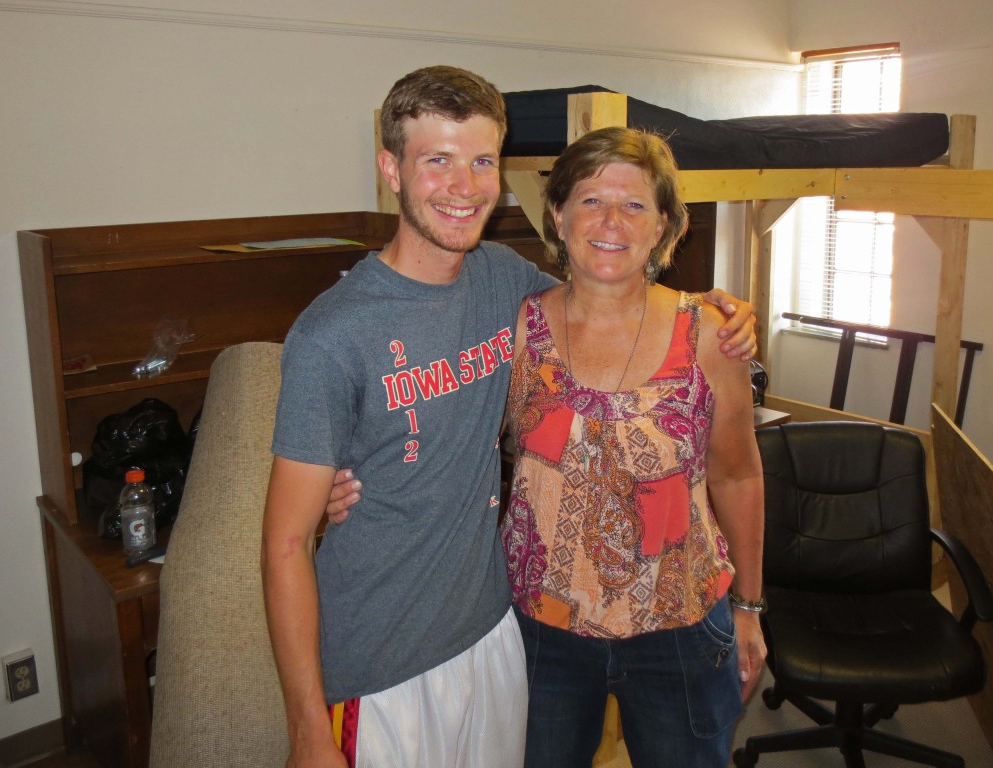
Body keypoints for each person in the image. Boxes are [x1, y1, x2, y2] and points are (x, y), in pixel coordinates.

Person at [264, 65, 757, 768]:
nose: (463, 187)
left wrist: (718, 309)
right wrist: (309, 732)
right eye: (436, 160)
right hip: (385, 660)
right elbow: (282, 544)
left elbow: (605, 287)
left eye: (482, 162)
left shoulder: (504, 282)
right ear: (391, 170)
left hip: (495, 634)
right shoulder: (332, 334)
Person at [501, 126, 767, 767]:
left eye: (635, 205)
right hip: (544, 623)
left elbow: (737, 477)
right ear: (558, 216)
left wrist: (751, 608)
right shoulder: (518, 327)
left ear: (664, 226)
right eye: (590, 200)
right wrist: (354, 485)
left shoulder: (710, 335)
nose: (611, 221)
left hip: (678, 619)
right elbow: (448, 436)